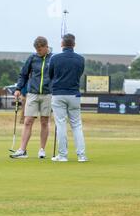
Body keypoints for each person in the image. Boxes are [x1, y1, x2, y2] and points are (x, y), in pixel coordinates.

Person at [10, 36, 53, 159]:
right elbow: (23, 74)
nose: (38, 52)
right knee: (28, 121)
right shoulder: (32, 58)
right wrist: (18, 88)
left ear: (46, 47)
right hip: (33, 93)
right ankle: (22, 150)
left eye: (40, 49)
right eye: (37, 50)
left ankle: (42, 150)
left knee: (44, 121)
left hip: (47, 94)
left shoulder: (53, 58)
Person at [49, 33, 87, 162]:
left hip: (58, 94)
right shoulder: (80, 59)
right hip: (74, 94)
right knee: (76, 125)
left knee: (61, 125)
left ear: (62, 44)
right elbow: (79, 73)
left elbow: (51, 75)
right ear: (74, 44)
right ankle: (81, 155)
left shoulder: (54, 58)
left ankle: (63, 155)